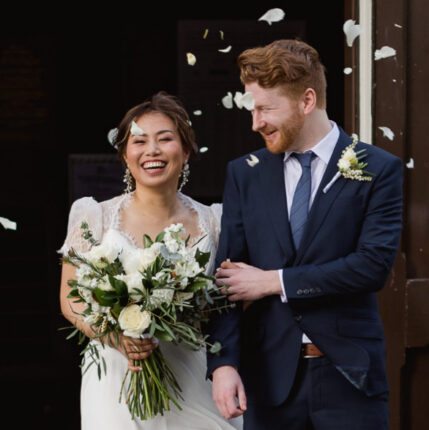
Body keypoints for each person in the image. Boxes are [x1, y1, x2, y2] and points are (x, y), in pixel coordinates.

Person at [207, 39, 403, 429]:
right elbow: (227, 278)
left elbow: (372, 266)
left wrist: (272, 281)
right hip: (269, 381)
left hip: (350, 378)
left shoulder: (377, 168)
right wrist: (223, 363)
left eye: (266, 108)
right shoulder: (244, 173)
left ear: (307, 100)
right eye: (252, 108)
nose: (255, 122)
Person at [59, 92, 242, 429]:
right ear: (126, 155)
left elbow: (225, 304)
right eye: (139, 141)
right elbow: (70, 299)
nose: (152, 150)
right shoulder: (93, 216)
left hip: (193, 372)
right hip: (115, 374)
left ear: (186, 151)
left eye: (165, 139)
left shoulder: (216, 221)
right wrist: (116, 337)